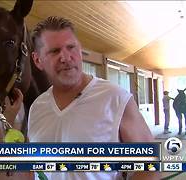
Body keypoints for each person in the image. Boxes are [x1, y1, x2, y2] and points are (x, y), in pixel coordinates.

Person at [23, 16, 160, 180]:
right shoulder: (37, 107)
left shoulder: (115, 98)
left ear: (80, 50)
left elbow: (150, 164)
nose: (66, 57)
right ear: (37, 60)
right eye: (54, 51)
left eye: (71, 47)